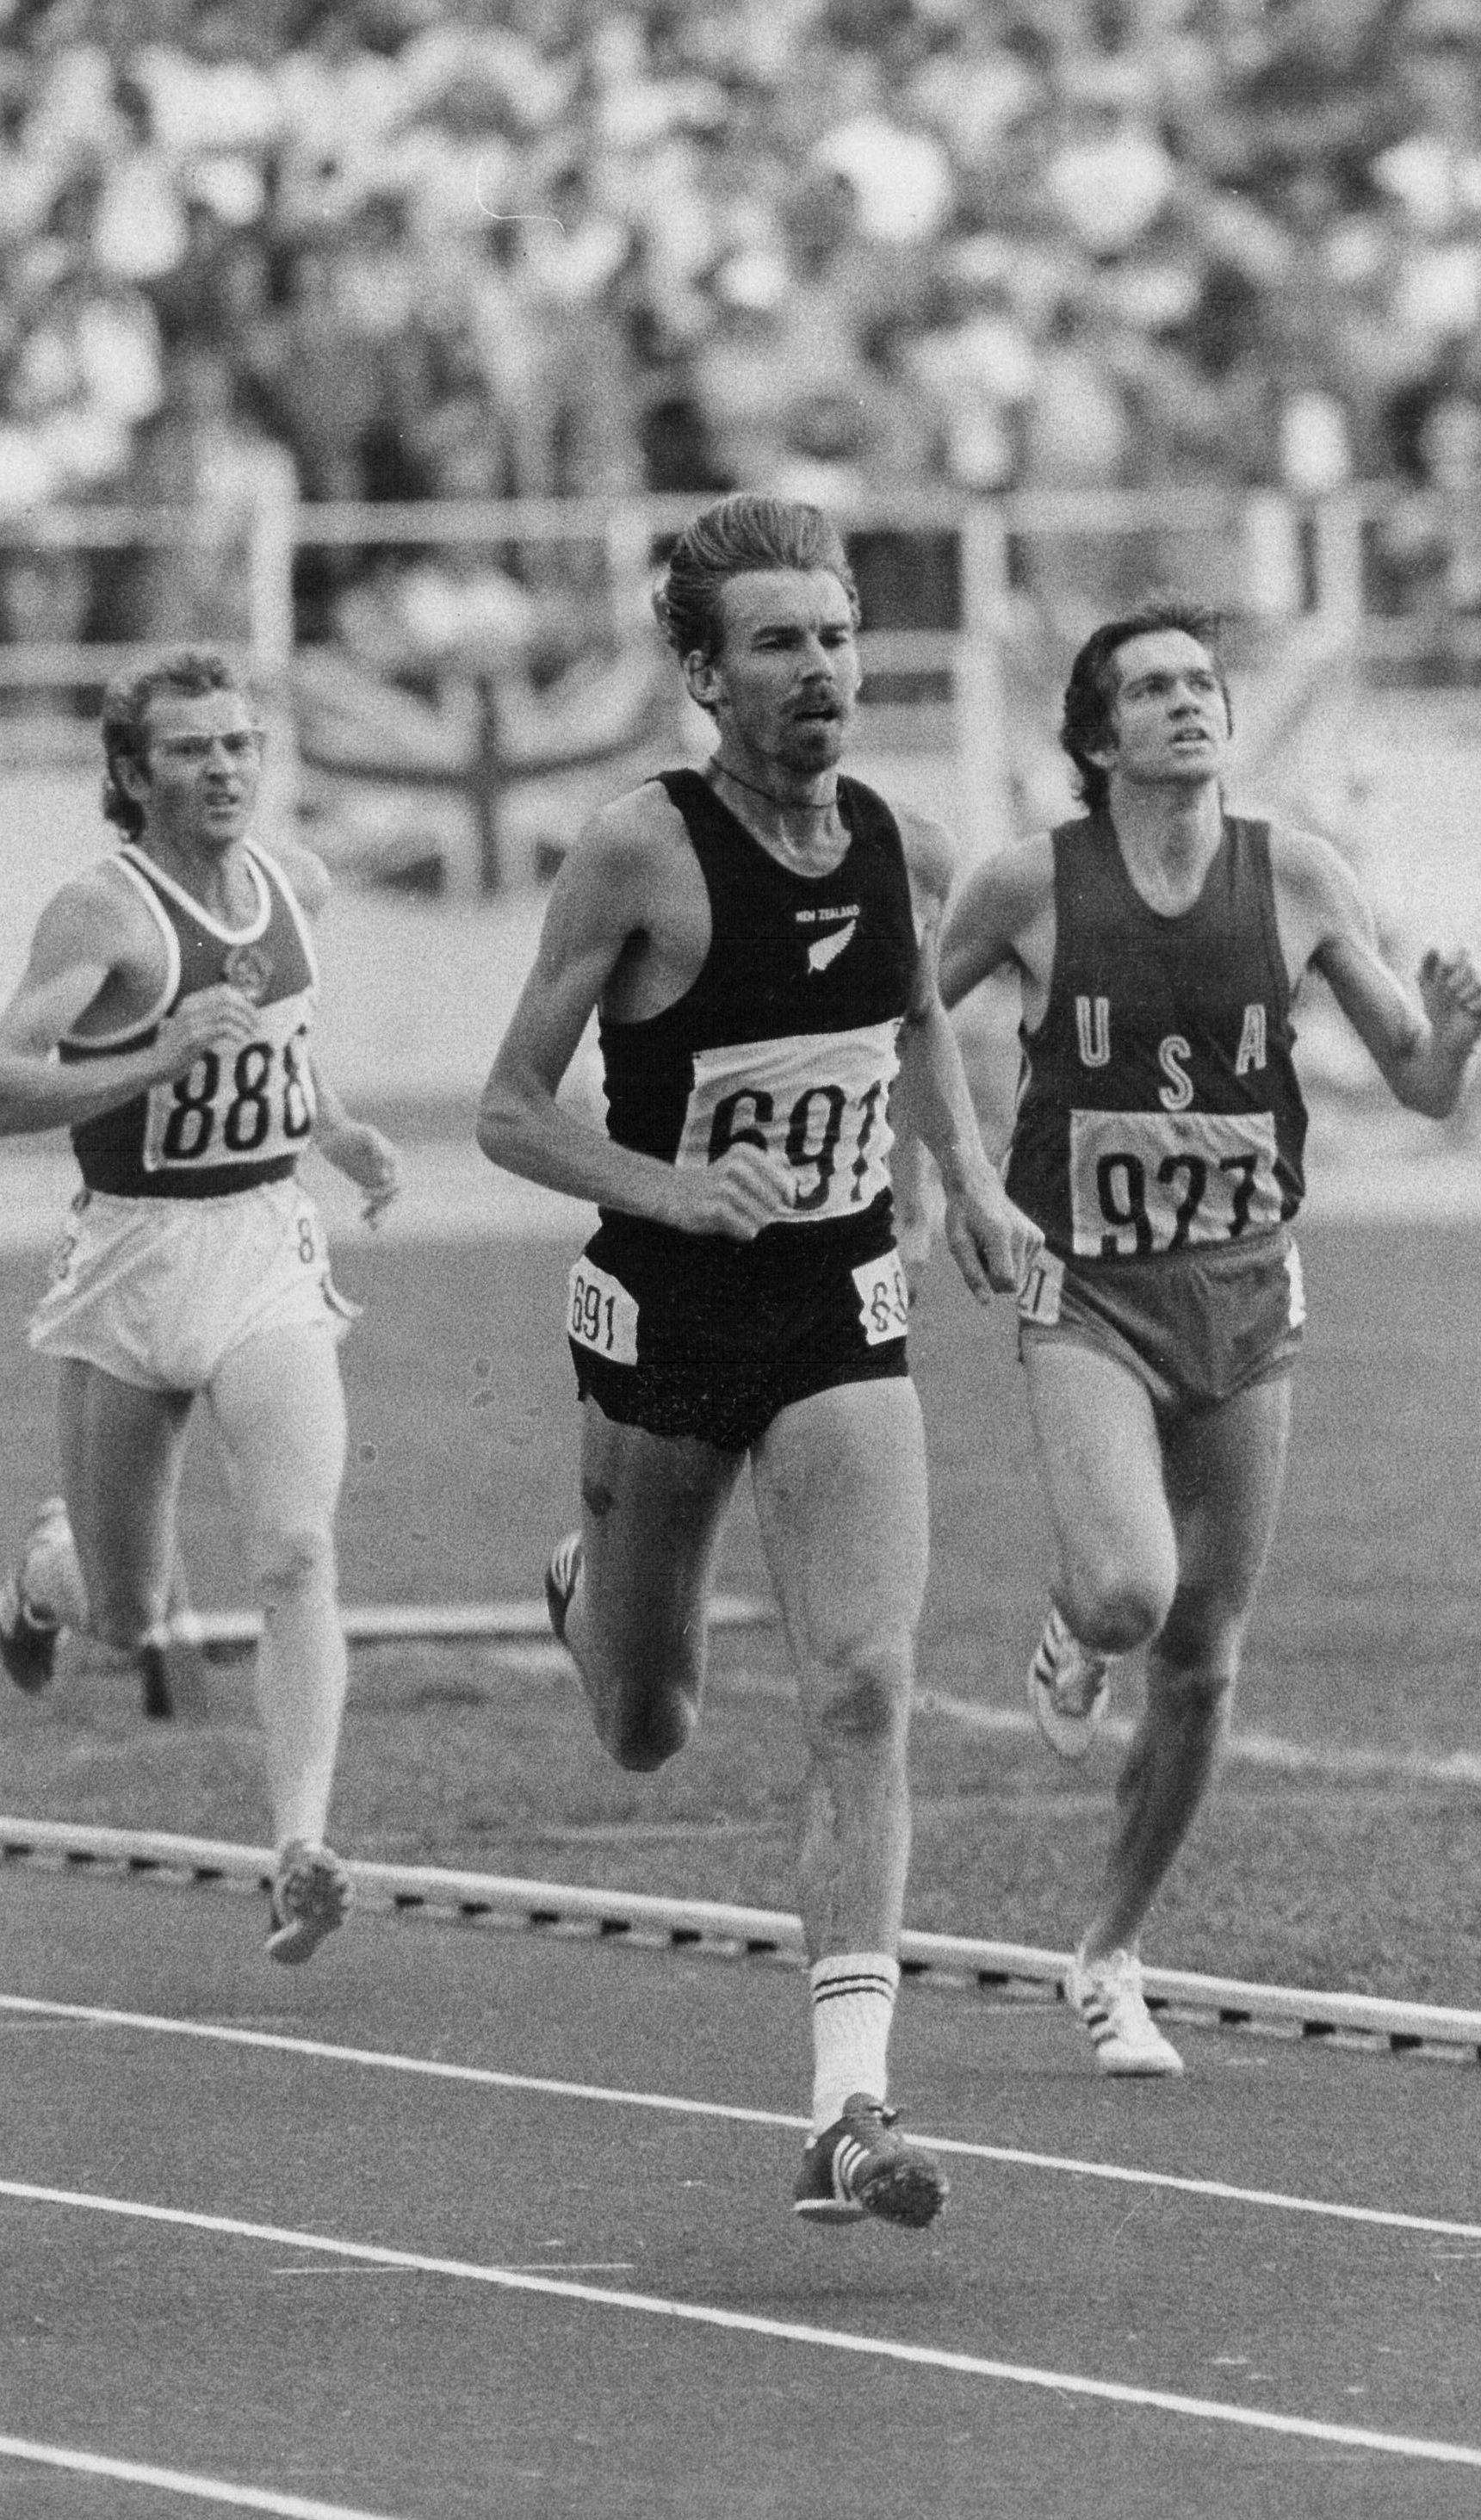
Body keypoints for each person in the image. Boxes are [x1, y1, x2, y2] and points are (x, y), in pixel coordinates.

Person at [477, 494, 1040, 2227]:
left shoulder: (902, 843)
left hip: (836, 1302)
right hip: (664, 1313)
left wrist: (965, 1178)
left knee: (862, 1685)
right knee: (647, 1725)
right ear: (705, 676)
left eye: (839, 636)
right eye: (780, 643)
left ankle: (846, 2105)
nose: (821, 671)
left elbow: (916, 1016)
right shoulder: (636, 852)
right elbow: (509, 1111)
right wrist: (671, 1187)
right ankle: (592, 1592)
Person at [939, 595, 1481, 2076]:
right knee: (1131, 1592)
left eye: (1202, 683)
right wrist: (959, 1178)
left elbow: (1419, 1085)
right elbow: (902, 1025)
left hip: (1245, 1289)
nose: (1189, 702)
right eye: (1152, 689)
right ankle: (1076, 1619)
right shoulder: (1026, 885)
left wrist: (1452, 1034)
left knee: (1203, 1662)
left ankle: (1109, 1953)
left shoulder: (1297, 875)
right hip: (1089, 1289)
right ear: (1095, 735)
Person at [0, 647, 400, 1965]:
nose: (223, 768)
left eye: (239, 744)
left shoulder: (298, 883)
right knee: (125, 1612)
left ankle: (300, 1851)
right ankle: (45, 1577)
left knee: (295, 1553)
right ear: (130, 773)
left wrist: (333, 1128)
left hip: (264, 1248)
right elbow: (6, 1082)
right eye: (189, 749)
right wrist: (154, 1054)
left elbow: (279, 1041)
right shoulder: (100, 915)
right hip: (131, 1256)